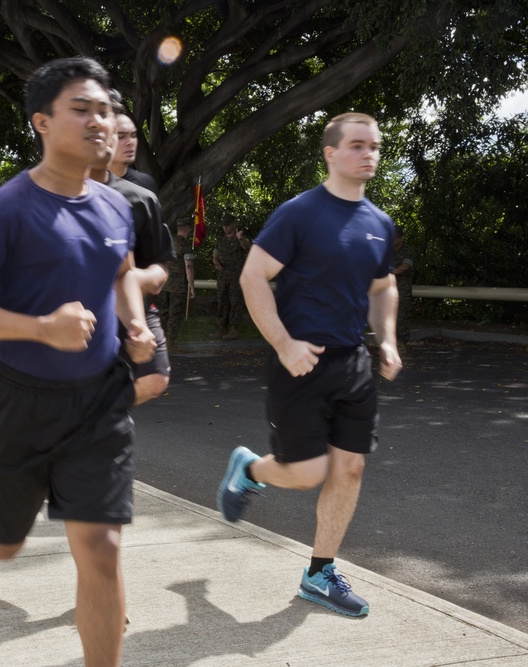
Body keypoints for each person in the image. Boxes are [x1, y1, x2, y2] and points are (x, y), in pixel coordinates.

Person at [0, 57, 156, 667]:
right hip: (19, 399)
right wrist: (41, 329)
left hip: (100, 400)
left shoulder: (114, 206)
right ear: (41, 121)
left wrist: (133, 320)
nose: (99, 121)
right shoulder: (7, 209)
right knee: (6, 541)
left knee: (102, 549)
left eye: (105, 110)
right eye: (81, 110)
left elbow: (120, 272)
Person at [217, 112, 402, 618]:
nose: (369, 154)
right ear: (331, 153)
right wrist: (283, 343)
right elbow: (254, 277)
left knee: (351, 467)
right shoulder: (299, 213)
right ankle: (250, 468)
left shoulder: (378, 223)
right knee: (306, 473)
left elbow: (383, 288)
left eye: (375, 147)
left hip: (353, 363)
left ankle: (319, 572)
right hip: (300, 361)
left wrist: (385, 339)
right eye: (358, 145)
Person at [87, 108, 174, 404]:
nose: (129, 142)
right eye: (121, 135)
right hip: (81, 306)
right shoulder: (59, 190)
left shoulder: (143, 193)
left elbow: (157, 263)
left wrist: (139, 280)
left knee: (156, 378)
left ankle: (99, 413)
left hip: (132, 303)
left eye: (134, 135)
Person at [212, 214, 252, 340]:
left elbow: (248, 248)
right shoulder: (220, 240)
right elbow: (215, 254)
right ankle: (222, 328)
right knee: (222, 302)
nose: (226, 228)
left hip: (236, 276)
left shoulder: (240, 238)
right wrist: (216, 263)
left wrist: (241, 239)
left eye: (228, 225)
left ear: (234, 224)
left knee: (235, 302)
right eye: (224, 225)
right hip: (223, 276)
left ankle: (234, 329)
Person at [156, 219, 194, 353]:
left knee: (164, 313)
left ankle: (160, 341)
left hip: (165, 283)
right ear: (188, 228)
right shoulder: (185, 245)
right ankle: (171, 344)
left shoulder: (169, 241)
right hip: (178, 287)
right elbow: (188, 267)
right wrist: (191, 286)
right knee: (175, 315)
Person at [109, 112, 158, 193]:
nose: (130, 142)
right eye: (121, 137)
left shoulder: (146, 184)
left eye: (133, 135)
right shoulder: (86, 185)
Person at [392, 224, 415, 345]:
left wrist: (391, 272)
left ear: (400, 238)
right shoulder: (387, 249)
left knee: (401, 316)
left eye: (395, 237)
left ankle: (402, 342)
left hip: (402, 289)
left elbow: (405, 267)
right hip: (388, 288)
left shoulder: (407, 251)